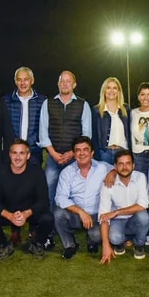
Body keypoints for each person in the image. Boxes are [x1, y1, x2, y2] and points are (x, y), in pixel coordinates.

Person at [0, 140, 54, 260]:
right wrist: (10, 216)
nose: (17, 157)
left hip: (29, 212)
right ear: (9, 155)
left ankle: (37, 244)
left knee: (48, 218)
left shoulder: (37, 172)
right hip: (7, 212)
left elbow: (43, 201)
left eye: (22, 153)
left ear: (28, 155)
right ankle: (4, 244)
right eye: (14, 153)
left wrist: (26, 214)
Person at [39, 70, 93, 204]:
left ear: (74, 84)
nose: (65, 84)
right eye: (62, 81)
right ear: (58, 84)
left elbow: (86, 135)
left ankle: (73, 217)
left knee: (75, 192)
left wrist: (72, 153)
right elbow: (43, 132)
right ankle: (50, 216)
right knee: (48, 190)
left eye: (68, 81)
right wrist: (53, 154)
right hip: (53, 158)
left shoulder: (83, 105)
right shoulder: (48, 103)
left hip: (75, 158)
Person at [53, 136, 111, 259]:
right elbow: (60, 198)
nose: (82, 153)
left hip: (97, 215)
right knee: (58, 214)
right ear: (74, 154)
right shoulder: (67, 172)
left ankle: (92, 240)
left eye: (85, 149)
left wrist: (113, 173)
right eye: (78, 150)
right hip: (76, 215)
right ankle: (70, 245)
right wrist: (81, 212)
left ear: (92, 153)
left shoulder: (103, 167)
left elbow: (121, 169)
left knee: (96, 235)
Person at [98, 149, 149, 264]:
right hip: (117, 221)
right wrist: (106, 245)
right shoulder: (108, 183)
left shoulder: (140, 177)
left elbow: (143, 204)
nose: (125, 167)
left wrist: (116, 212)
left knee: (144, 217)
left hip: (135, 218)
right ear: (115, 167)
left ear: (133, 165)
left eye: (128, 163)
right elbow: (103, 216)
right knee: (114, 238)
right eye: (121, 164)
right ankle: (121, 242)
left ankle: (139, 244)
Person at [4, 66, 47, 167]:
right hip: (13, 151)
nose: (22, 83)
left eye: (26, 79)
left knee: (33, 176)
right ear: (15, 81)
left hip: (34, 151)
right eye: (19, 80)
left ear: (32, 80)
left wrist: (30, 142)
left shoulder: (43, 101)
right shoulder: (6, 101)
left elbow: (44, 126)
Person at [91, 77, 131, 164]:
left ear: (119, 91)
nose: (111, 91)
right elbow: (94, 136)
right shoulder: (97, 110)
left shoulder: (126, 109)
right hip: (104, 154)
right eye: (108, 88)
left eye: (115, 88)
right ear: (104, 91)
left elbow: (130, 133)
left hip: (123, 153)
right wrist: (97, 156)